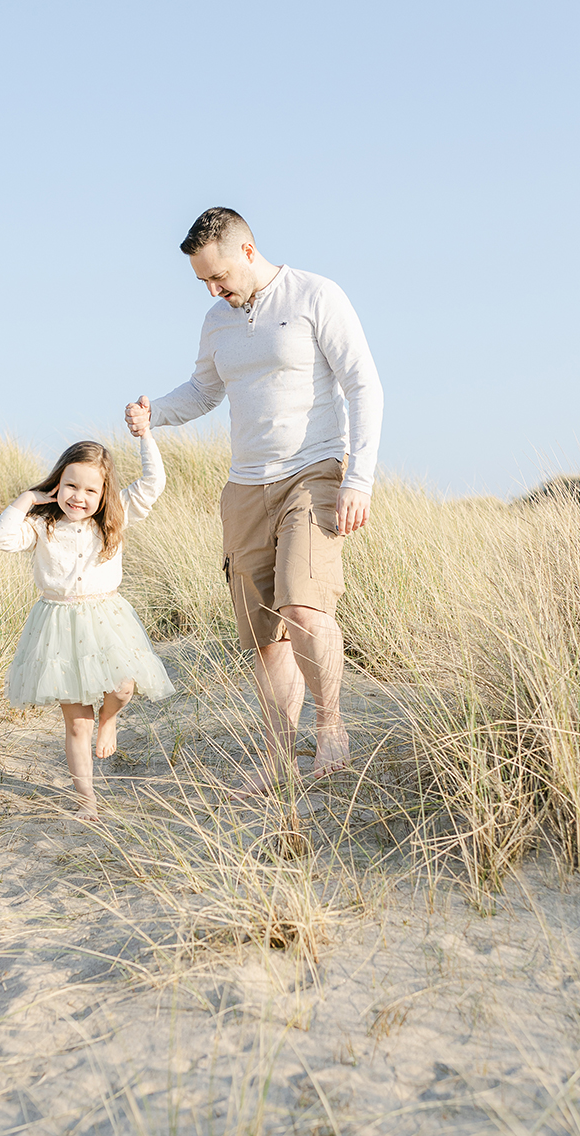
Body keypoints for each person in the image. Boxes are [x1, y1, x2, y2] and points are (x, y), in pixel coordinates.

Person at [125, 207, 383, 798]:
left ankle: (330, 723)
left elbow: (363, 386)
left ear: (247, 250)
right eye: (203, 283)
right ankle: (277, 759)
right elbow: (204, 389)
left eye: (219, 277)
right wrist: (153, 413)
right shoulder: (217, 320)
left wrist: (358, 479)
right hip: (244, 487)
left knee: (306, 607)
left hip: (313, 470)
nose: (214, 290)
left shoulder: (316, 295)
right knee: (266, 635)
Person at [0, 431, 174, 820]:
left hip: (106, 618)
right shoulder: (42, 523)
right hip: (57, 624)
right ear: (57, 482)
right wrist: (27, 500)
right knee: (77, 723)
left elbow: (153, 483)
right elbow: (3, 539)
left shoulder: (115, 516)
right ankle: (86, 797)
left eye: (91, 490)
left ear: (104, 493)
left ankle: (110, 720)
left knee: (123, 687)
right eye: (70, 485)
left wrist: (145, 435)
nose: (79, 496)